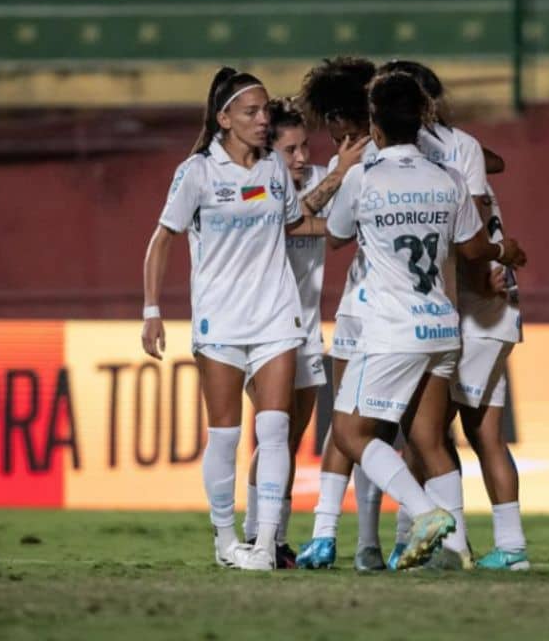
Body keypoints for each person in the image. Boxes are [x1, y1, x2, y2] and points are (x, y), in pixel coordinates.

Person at [325, 71, 527, 570]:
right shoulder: (449, 178)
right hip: (443, 325)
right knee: (429, 440)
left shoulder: (364, 177)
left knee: (350, 434)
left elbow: (334, 235)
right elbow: (475, 247)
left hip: (392, 327)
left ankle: (424, 514)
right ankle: (455, 552)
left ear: (374, 124)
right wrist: (507, 250)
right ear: (421, 121)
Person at [140, 68, 307, 571]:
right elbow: (161, 239)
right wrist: (152, 312)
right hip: (221, 322)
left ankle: (264, 544)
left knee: (275, 432)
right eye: (252, 112)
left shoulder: (275, 169)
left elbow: (297, 222)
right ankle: (224, 538)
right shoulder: (198, 173)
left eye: (266, 112)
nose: (263, 121)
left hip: (276, 316)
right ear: (224, 118)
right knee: (227, 437)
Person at [240, 96, 362, 568]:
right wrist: (337, 180)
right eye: (289, 150)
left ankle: (275, 537)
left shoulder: (314, 179)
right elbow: (283, 223)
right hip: (261, 328)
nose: (300, 158)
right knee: (273, 434)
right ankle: (255, 534)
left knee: (289, 441)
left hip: (307, 329)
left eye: (304, 147)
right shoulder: (251, 187)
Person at [290, 57, 393, 571]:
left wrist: (342, 176)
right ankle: (370, 544)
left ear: (336, 116)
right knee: (385, 432)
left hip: (364, 309)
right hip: (410, 312)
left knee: (348, 426)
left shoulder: (350, 164)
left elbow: (320, 230)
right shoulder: (412, 149)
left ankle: (329, 534)